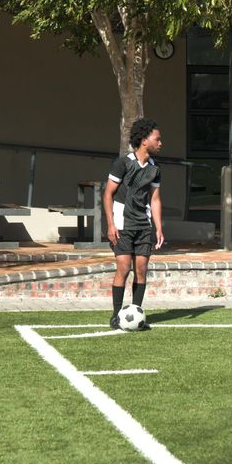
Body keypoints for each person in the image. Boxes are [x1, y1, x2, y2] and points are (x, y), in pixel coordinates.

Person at [104, 117, 164, 329]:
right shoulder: (123, 163)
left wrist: (159, 228)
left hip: (143, 226)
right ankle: (116, 315)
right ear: (145, 139)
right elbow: (107, 194)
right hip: (122, 224)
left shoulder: (155, 169)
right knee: (124, 267)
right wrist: (111, 224)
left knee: (141, 268)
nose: (160, 143)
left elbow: (154, 199)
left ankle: (137, 313)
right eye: (157, 139)